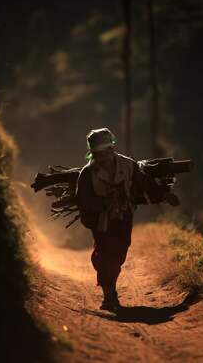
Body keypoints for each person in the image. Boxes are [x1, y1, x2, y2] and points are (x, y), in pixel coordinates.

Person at [75, 128, 147, 311]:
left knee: (120, 251)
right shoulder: (87, 174)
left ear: (112, 149)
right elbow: (83, 201)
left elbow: (143, 182)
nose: (102, 156)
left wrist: (164, 194)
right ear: (93, 153)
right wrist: (103, 204)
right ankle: (108, 296)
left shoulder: (128, 165)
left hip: (124, 217)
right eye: (97, 153)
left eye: (105, 151)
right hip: (102, 220)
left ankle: (110, 288)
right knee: (107, 253)